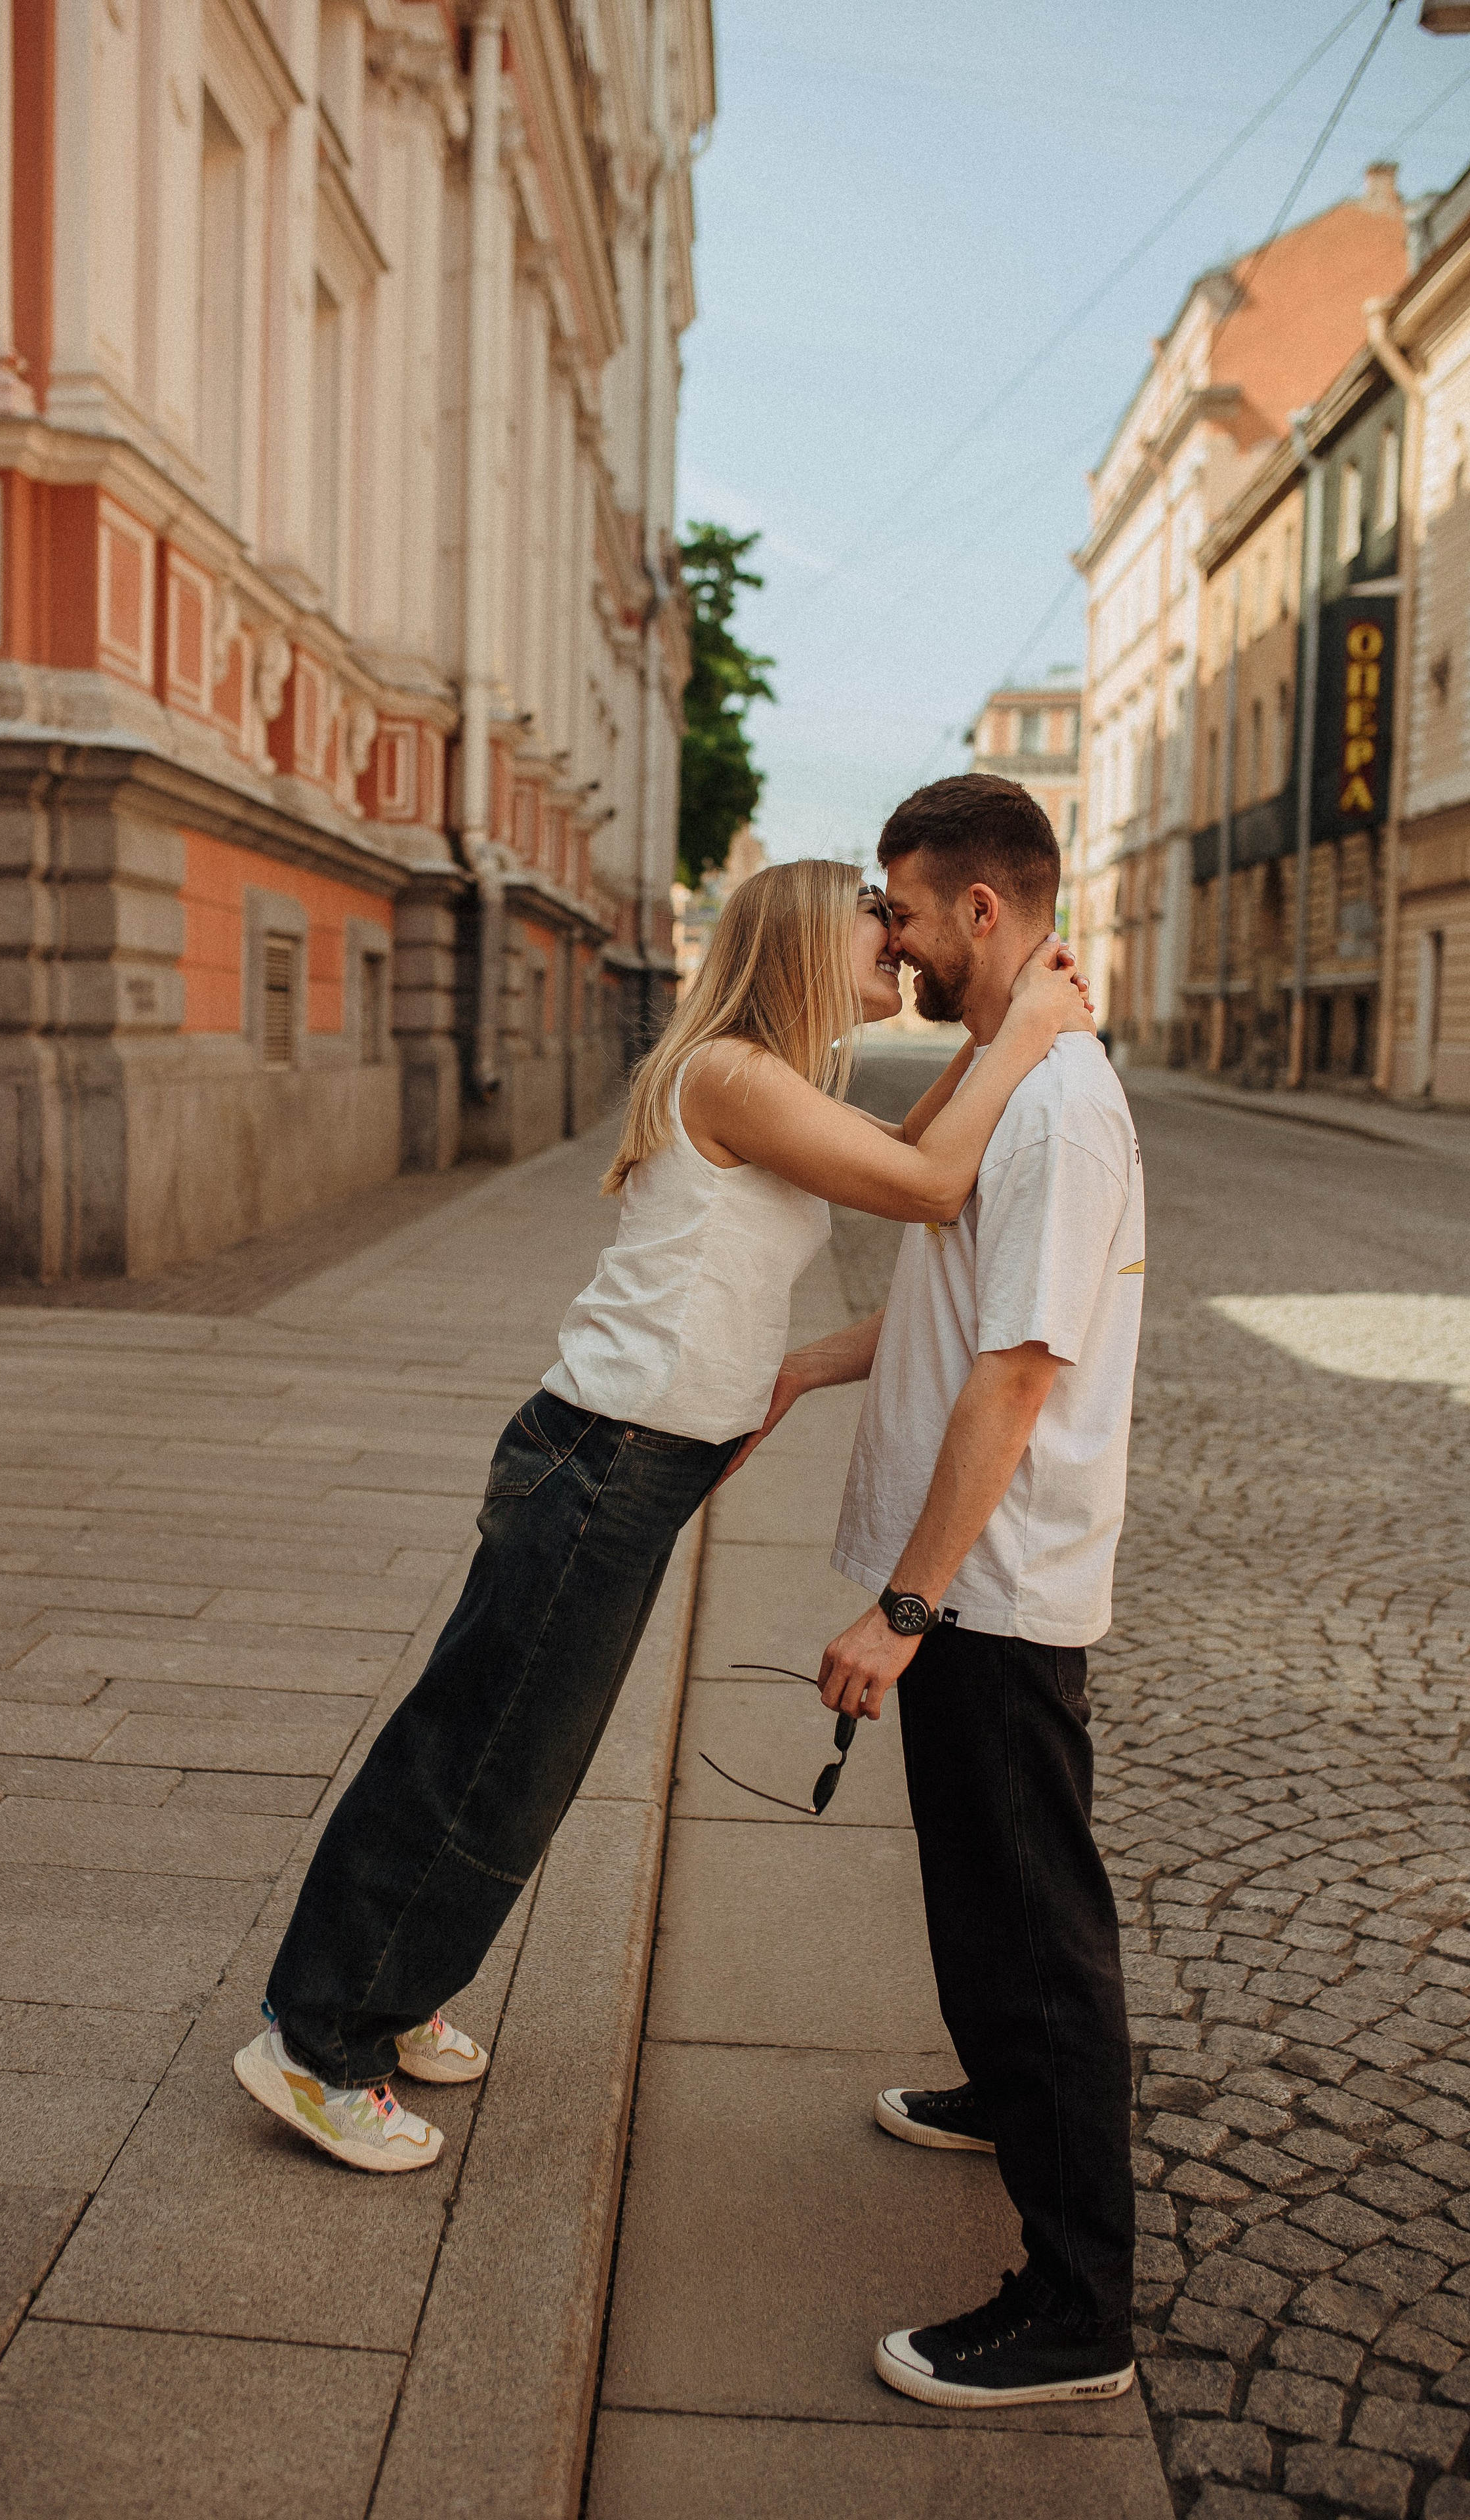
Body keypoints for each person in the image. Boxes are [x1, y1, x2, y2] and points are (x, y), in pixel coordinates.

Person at [234, 855, 1094, 2172]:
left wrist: (988, 1038)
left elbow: (911, 1151)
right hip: (601, 1463)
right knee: (484, 1756)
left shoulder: (770, 1079)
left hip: (624, 1467)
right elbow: (929, 1186)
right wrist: (1022, 1029)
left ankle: (390, 1989)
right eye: (870, 914)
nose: (892, 934)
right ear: (799, 939)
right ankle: (316, 2042)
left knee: (517, 1758)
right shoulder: (735, 1075)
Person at [748, 775, 1144, 2409]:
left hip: (990, 1581)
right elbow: (944, 1299)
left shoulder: (1052, 1111)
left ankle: (1077, 2307)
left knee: (1035, 1925)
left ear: (980, 909)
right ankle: (1003, 2090)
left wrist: (899, 1610)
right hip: (966, 1580)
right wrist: (808, 1366)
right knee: (986, 1897)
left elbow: (1017, 1372)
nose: (888, 937)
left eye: (902, 909)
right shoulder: (1007, 1078)